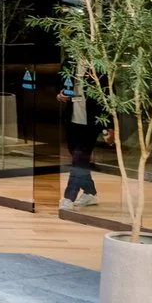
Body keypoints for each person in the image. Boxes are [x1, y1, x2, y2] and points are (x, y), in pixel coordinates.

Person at [60, 80, 105, 209]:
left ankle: (69, 197)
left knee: (79, 158)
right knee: (79, 160)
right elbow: (63, 85)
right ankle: (90, 192)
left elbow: (108, 96)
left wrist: (109, 126)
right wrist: (62, 94)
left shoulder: (97, 70)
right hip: (72, 122)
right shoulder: (70, 68)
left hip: (91, 124)